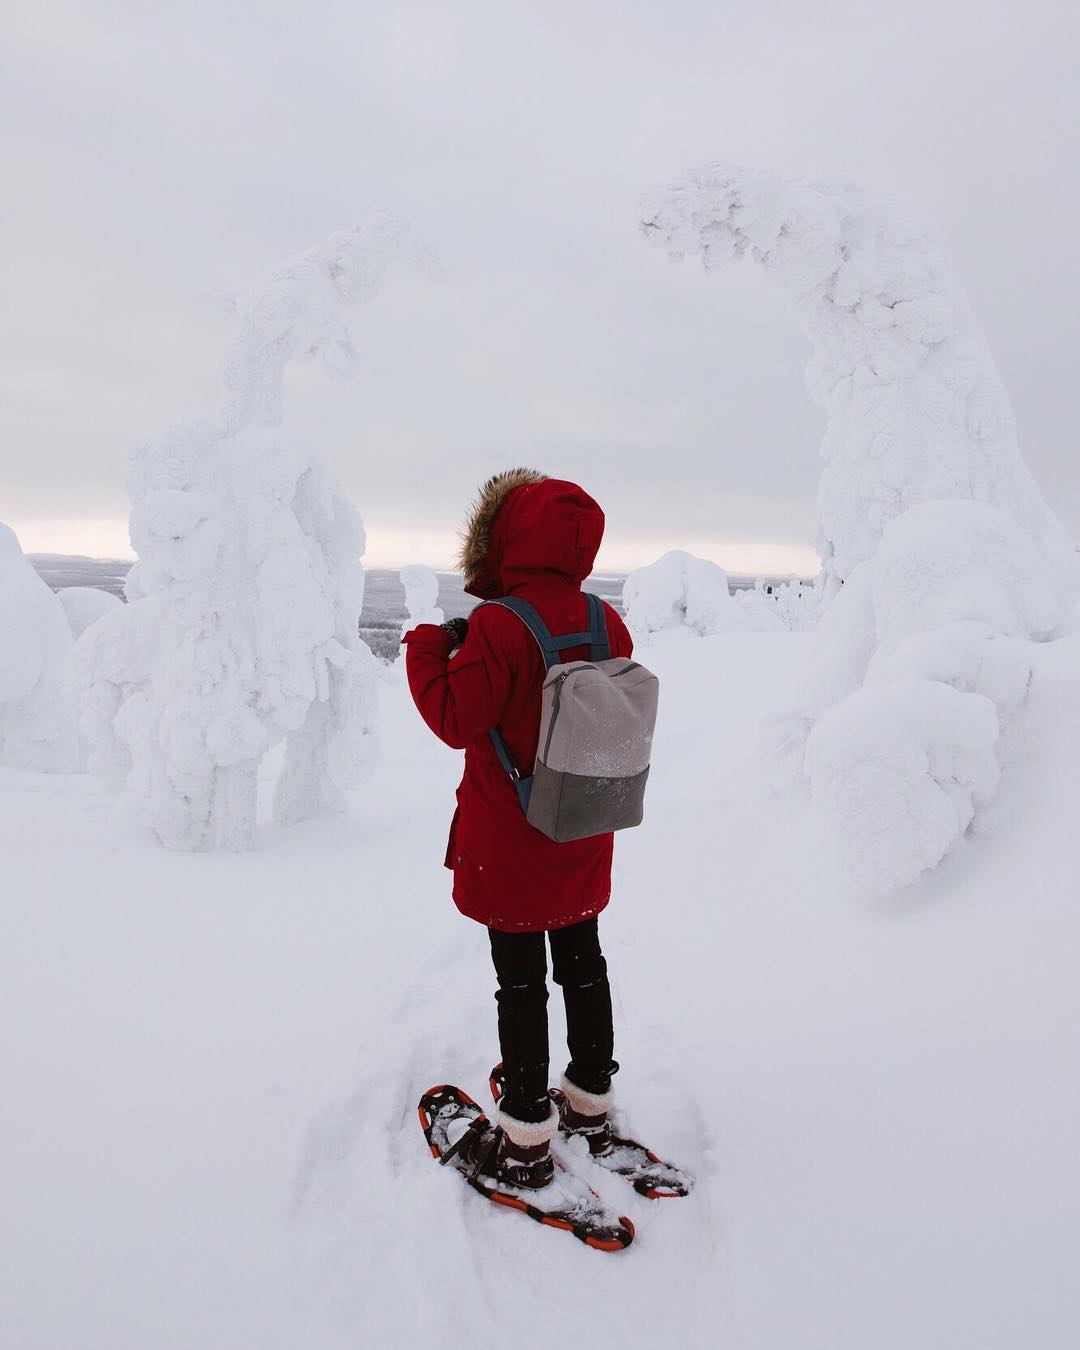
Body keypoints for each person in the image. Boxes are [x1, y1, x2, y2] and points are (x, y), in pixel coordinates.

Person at [402, 468, 634, 1191]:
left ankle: (526, 1136)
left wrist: (423, 648)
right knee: (582, 960)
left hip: (511, 837)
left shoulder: (500, 626)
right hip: (584, 826)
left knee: (521, 982)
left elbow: (454, 718)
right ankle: (590, 1098)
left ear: (505, 539)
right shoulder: (607, 621)